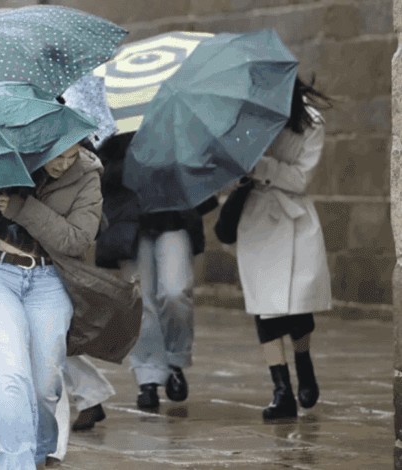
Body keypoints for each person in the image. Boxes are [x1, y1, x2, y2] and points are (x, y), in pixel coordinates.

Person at [0, 143, 140, 470]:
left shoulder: (87, 174)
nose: (64, 164)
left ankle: (39, 449)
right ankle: (14, 462)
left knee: (44, 386)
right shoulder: (6, 156)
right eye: (57, 156)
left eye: (72, 155)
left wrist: (23, 209)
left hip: (49, 280)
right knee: (8, 375)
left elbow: (77, 239)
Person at [235, 75, 333, 420]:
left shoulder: (311, 121)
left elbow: (301, 178)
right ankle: (281, 391)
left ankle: (304, 363)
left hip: (294, 218)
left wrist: (260, 165)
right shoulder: (246, 118)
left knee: (298, 306)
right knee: (264, 307)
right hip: (257, 218)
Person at [95, 134, 217, 410]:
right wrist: (133, 165)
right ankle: (147, 377)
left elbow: (200, 168)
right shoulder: (114, 125)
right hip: (129, 223)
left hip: (174, 217)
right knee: (141, 303)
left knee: (176, 291)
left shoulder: (177, 122)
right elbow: (99, 172)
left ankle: (175, 360)